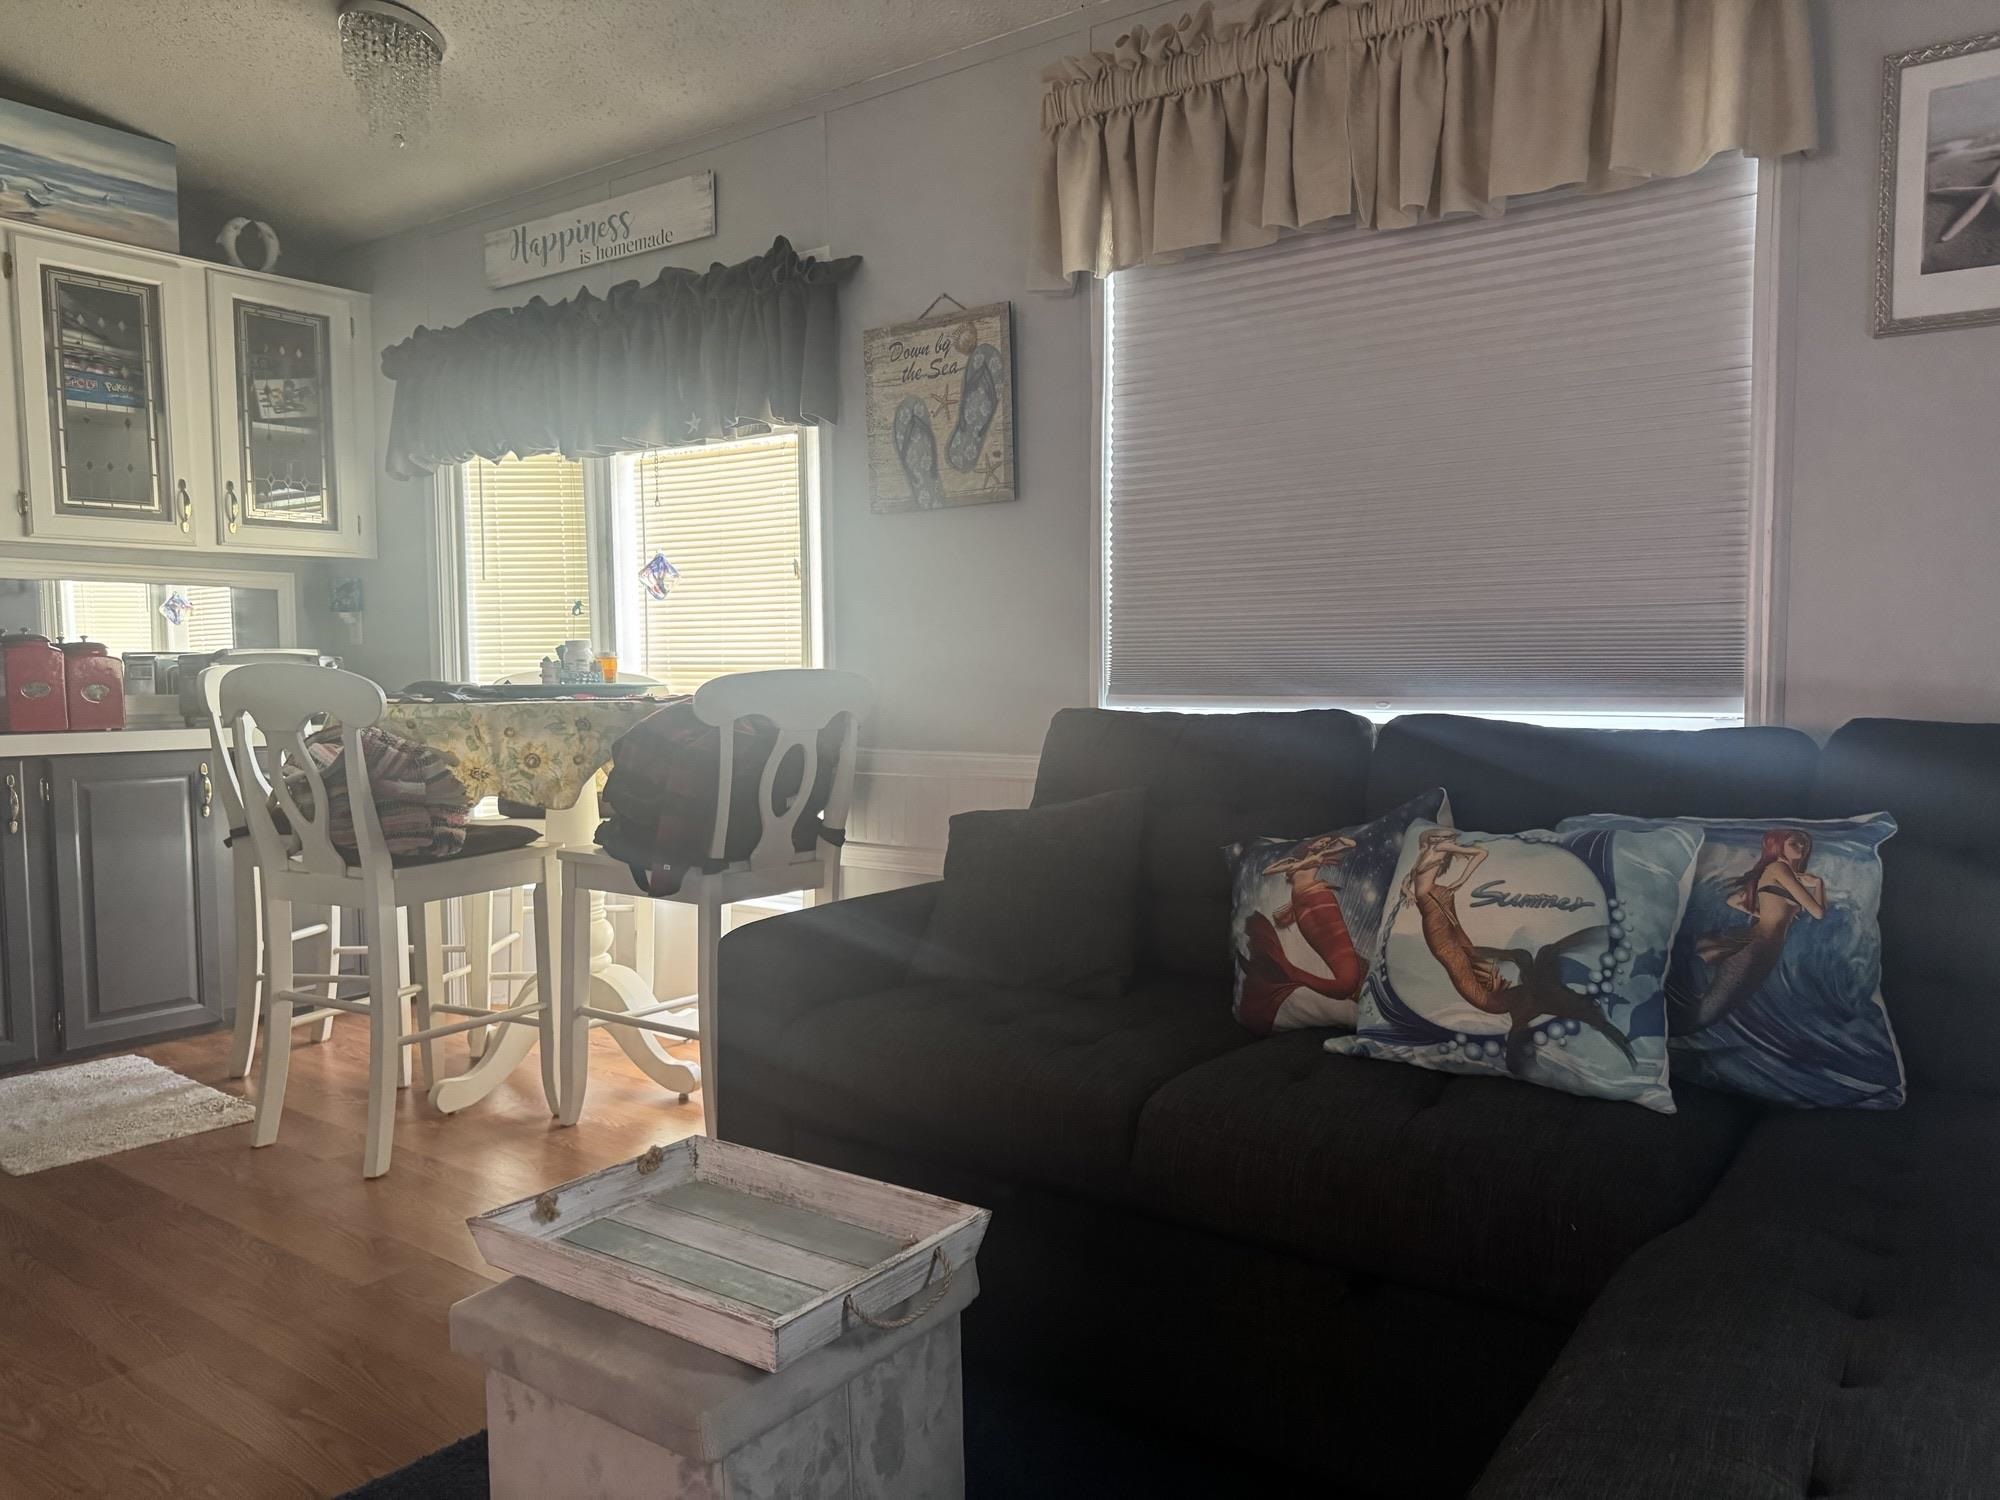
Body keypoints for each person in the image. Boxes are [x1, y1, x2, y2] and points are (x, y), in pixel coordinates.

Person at [1672, 828, 1826, 1034]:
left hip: (1765, 948)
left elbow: (1734, 900)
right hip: (1756, 947)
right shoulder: (1778, 868)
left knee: (1712, 1012)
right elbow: (1818, 912)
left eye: (1805, 844)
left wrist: (1768, 914)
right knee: (1707, 1013)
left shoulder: (1782, 874)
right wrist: (1818, 884)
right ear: (1778, 845)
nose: (1802, 847)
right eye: (1795, 843)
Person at [1237, 833, 1364, 1031]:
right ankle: (1290, 971)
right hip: (1301, 906)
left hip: (1318, 898)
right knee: (1343, 980)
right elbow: (1267, 871)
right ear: (1309, 845)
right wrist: (1295, 865)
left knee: (1346, 984)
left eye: (1325, 842)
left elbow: (1351, 843)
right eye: (1321, 841)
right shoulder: (1294, 861)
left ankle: (1292, 972)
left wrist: (1331, 845)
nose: (1323, 843)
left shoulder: (1323, 855)